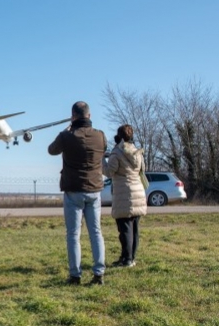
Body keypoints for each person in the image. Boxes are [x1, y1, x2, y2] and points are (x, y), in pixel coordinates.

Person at [48, 101, 108, 285]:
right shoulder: (100, 136)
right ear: (89, 116)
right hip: (94, 189)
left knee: (74, 234)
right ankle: (99, 273)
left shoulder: (66, 136)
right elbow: (104, 150)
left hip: (73, 189)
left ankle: (75, 275)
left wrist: (68, 129)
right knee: (96, 232)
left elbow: (51, 150)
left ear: (73, 116)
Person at [103, 125, 147, 268]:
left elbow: (109, 172)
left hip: (123, 193)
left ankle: (126, 259)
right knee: (134, 228)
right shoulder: (137, 151)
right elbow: (142, 170)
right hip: (138, 192)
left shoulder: (117, 152)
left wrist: (102, 160)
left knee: (124, 229)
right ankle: (130, 257)